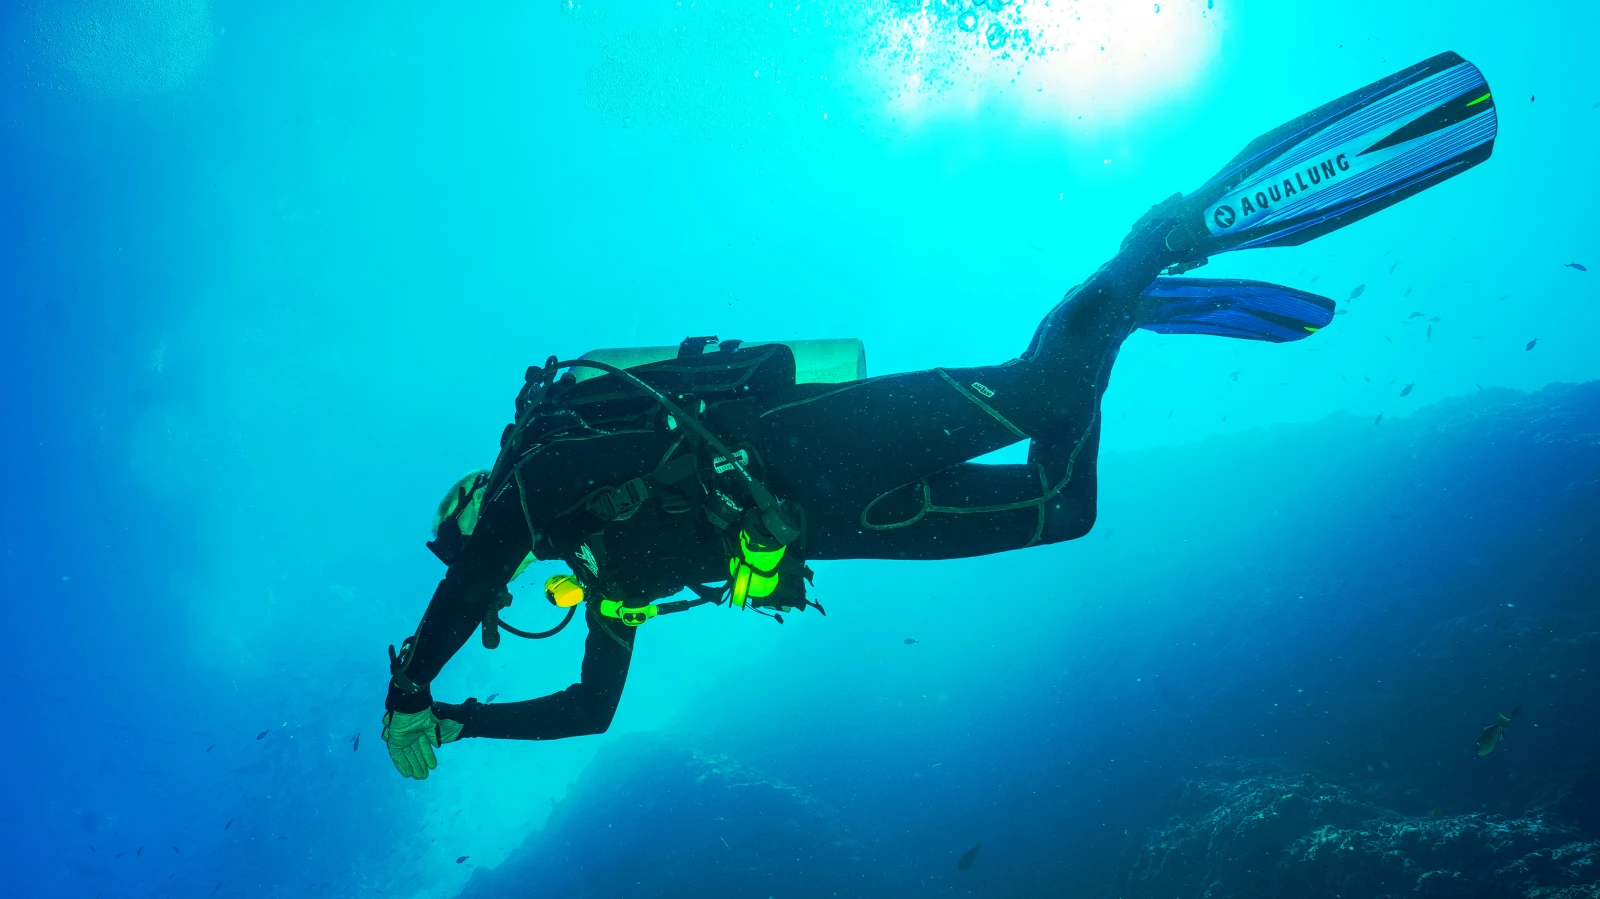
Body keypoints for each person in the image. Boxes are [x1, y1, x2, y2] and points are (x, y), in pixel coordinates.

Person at [381, 51, 1498, 779]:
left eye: (465, 512)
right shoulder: (604, 567)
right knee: (1066, 508)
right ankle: (1128, 313)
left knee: (1042, 389)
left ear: (482, 488)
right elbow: (591, 708)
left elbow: (475, 569)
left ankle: (1145, 251)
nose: (483, 540)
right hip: (838, 525)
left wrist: (406, 686)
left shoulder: (547, 461)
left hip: (806, 439)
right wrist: (460, 719)